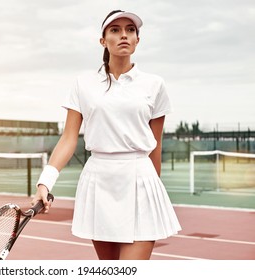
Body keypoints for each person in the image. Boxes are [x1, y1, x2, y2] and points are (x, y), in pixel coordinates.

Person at [32, 10, 181, 260]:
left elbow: (155, 146)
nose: (124, 35)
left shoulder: (155, 84)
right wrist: (45, 182)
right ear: (103, 40)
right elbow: (69, 138)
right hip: (99, 182)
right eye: (115, 30)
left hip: (141, 181)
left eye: (130, 30)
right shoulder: (83, 83)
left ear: (137, 40)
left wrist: (154, 188)